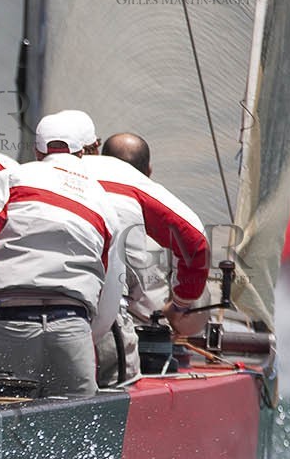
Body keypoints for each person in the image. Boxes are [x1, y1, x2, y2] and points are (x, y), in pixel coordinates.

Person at [0, 110, 129, 399]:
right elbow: (109, 296)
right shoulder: (104, 202)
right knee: (75, 433)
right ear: (88, 151)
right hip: (73, 325)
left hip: (11, 321)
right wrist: (83, 332)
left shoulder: (12, 179)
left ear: (37, 150)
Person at [81, 133, 210, 381]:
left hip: (47, 315)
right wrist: (180, 306)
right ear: (148, 170)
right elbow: (197, 246)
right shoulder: (162, 208)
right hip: (123, 334)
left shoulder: (66, 180)